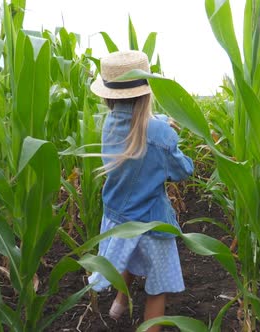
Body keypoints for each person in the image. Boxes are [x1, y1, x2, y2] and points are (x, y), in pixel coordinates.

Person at [87, 50, 193, 331]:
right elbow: (182, 170)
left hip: (118, 221)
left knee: (129, 254)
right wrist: (173, 138)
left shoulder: (109, 124)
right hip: (151, 223)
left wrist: (161, 126)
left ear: (108, 95)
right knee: (158, 288)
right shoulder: (160, 133)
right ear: (147, 91)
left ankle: (118, 305)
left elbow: (136, 127)